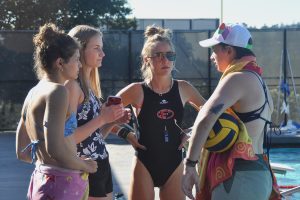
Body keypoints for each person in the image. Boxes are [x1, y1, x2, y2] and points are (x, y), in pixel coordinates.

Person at [181, 23, 274, 200]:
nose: (211, 57)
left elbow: (206, 116)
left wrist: (190, 164)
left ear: (229, 50)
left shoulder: (237, 79)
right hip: (259, 172)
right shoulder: (258, 80)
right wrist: (195, 135)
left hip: (238, 176)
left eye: (215, 50)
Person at [115, 25, 206, 200]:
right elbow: (101, 115)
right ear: (146, 59)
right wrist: (125, 133)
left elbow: (210, 113)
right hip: (145, 164)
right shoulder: (136, 91)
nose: (165, 60)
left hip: (174, 165)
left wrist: (193, 132)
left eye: (170, 55)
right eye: (158, 55)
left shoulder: (184, 88)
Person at [15, 23, 98, 200]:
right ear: (60, 62)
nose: (80, 65)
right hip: (62, 186)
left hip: (40, 180)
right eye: (76, 59)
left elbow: (22, 151)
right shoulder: (58, 92)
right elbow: (55, 149)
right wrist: (83, 165)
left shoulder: (33, 93)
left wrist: (49, 167)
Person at [66, 25, 129, 200]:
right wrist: (102, 118)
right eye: (96, 48)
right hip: (83, 169)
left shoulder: (90, 88)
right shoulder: (72, 87)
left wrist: (111, 121)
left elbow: (93, 138)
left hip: (100, 165)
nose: (103, 53)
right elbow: (68, 139)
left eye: (102, 48)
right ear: (79, 49)